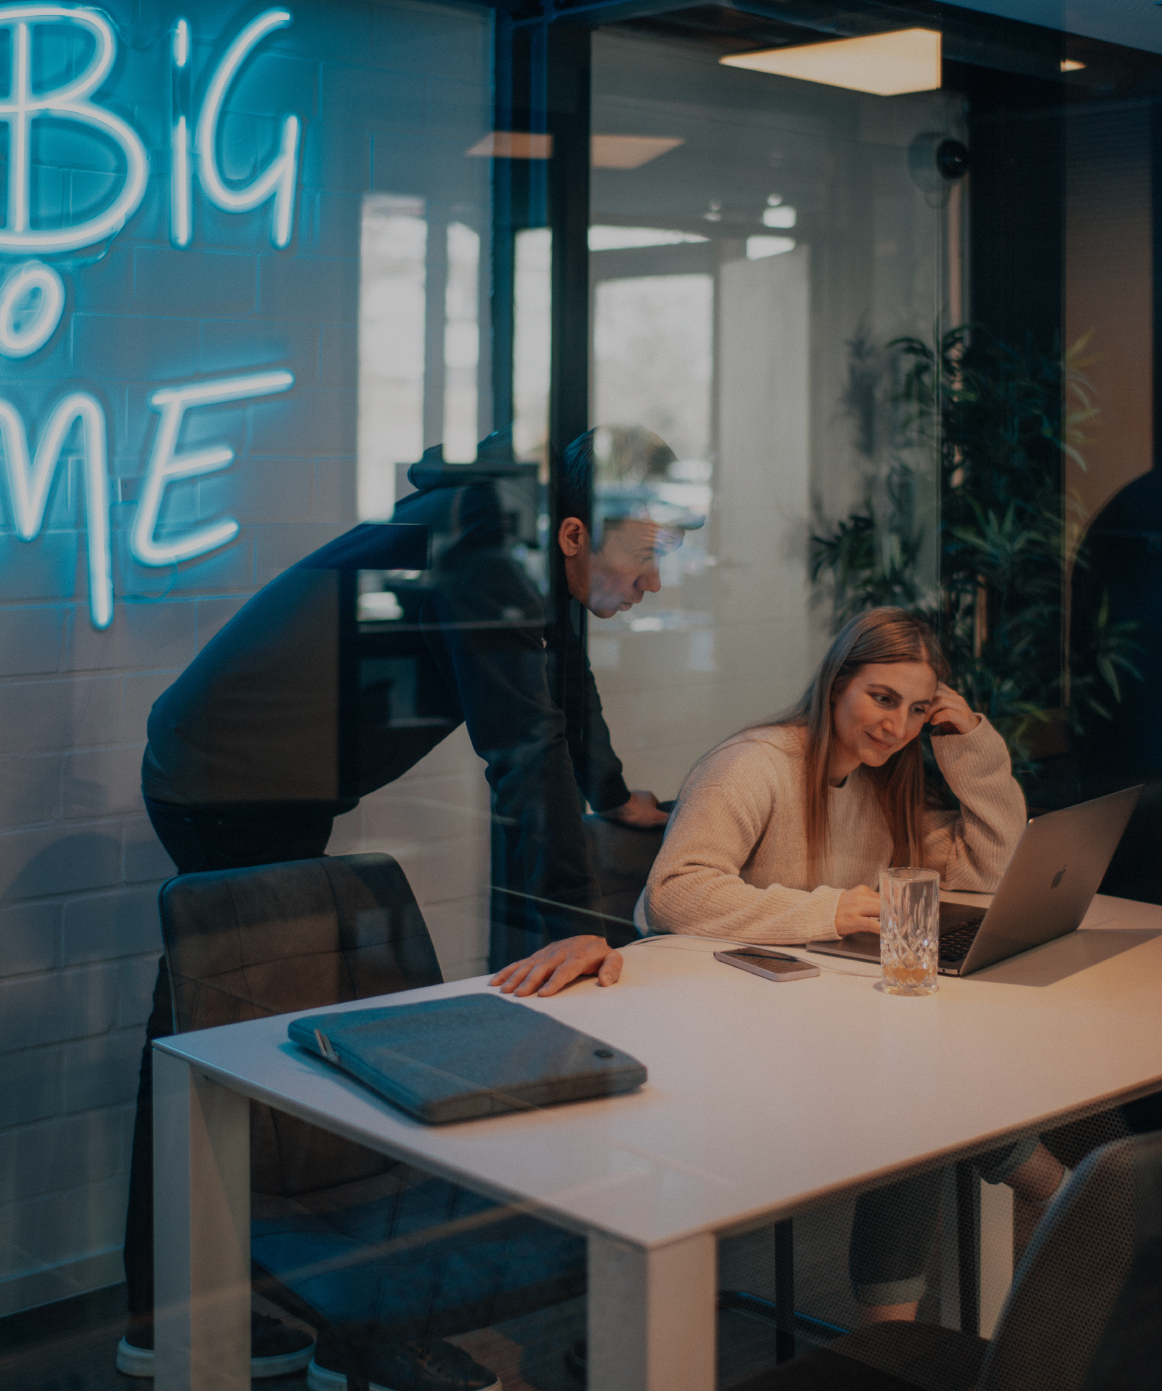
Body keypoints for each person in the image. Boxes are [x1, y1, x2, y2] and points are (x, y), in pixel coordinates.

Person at [120, 426, 696, 1385]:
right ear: (571, 533)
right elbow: (520, 747)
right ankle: (242, 1318)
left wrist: (614, 795)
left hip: (243, 770)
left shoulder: (502, 541)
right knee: (225, 1041)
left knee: (216, 1035)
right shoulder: (485, 551)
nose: (653, 581)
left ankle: (193, 1306)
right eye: (645, 554)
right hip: (229, 777)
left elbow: (557, 684)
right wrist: (573, 927)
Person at [493, 607, 1071, 1320]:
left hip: (803, 1015)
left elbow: (989, 871)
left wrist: (971, 747)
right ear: (836, 684)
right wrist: (829, 911)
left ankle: (899, 1317)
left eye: (918, 709)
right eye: (881, 698)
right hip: (718, 1034)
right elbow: (675, 893)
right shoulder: (755, 763)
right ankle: (1038, 1190)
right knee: (922, 1085)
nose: (896, 726)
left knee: (922, 1078)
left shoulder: (880, 779)